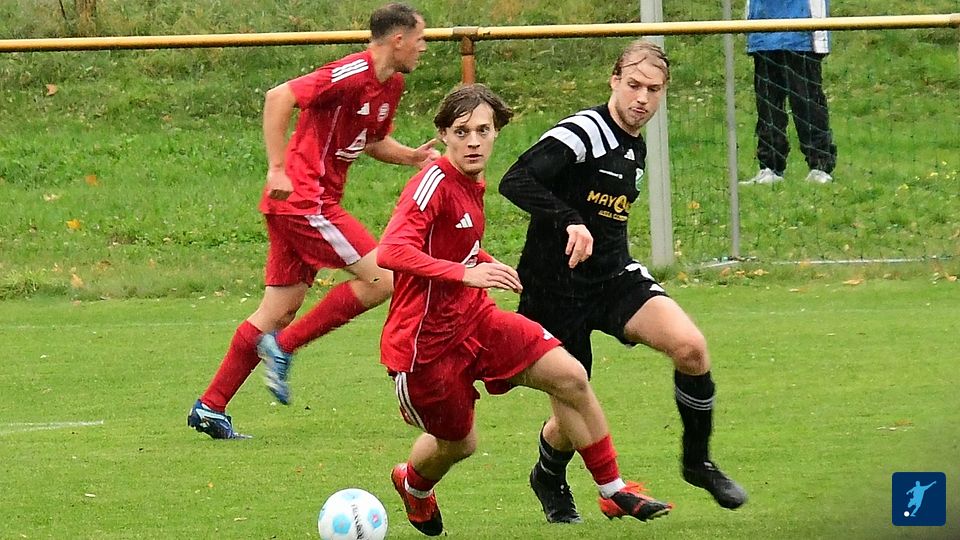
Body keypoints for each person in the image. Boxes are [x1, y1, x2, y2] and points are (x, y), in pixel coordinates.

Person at [378, 84, 672, 537]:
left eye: (483, 130)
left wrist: (484, 261)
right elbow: (391, 251)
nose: (473, 141)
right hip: (426, 345)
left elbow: (454, 242)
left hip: (477, 320)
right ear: (444, 134)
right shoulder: (432, 182)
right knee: (460, 443)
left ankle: (613, 490)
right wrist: (465, 273)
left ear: (496, 132)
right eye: (462, 132)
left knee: (570, 376)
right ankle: (413, 485)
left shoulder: (472, 182)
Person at [498, 40, 747, 523]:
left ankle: (697, 463)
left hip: (613, 277)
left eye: (653, 89)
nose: (642, 98)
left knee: (691, 348)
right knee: (572, 407)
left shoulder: (635, 145)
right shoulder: (583, 131)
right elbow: (516, 179)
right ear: (614, 81)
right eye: (633, 85)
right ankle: (548, 475)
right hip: (555, 289)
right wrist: (570, 220)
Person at [187, 3, 440, 439]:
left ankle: (211, 406)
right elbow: (279, 97)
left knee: (279, 309)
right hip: (306, 201)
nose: (424, 47)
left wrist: (411, 157)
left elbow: (371, 141)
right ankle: (283, 348)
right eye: (420, 39)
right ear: (398, 40)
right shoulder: (352, 72)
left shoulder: (391, 85)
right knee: (384, 278)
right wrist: (276, 168)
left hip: (301, 205)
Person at [740, 0, 837, 185]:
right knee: (767, 104)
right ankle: (769, 167)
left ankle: (820, 166)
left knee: (806, 101)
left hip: (802, 31)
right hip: (763, 30)